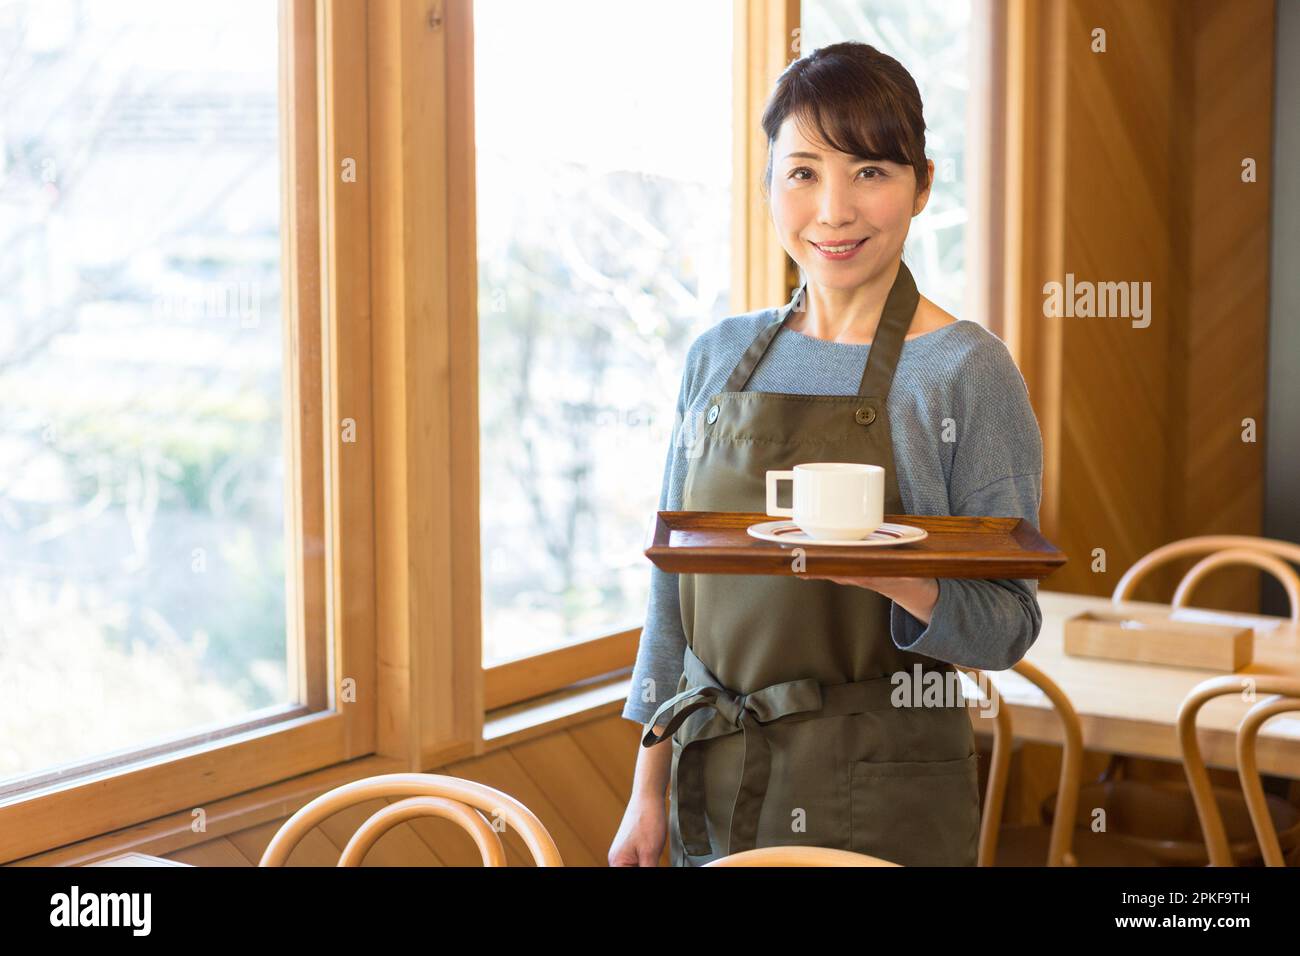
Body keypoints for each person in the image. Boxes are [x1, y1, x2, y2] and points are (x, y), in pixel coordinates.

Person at [608, 40, 1044, 867]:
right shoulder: (716, 357)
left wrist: (884, 569)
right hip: (717, 768)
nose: (834, 211)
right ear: (770, 182)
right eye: (803, 172)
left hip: (882, 788)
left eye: (871, 172)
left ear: (922, 184)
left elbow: (1008, 627)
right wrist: (646, 792)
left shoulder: (964, 371)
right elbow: (673, 594)